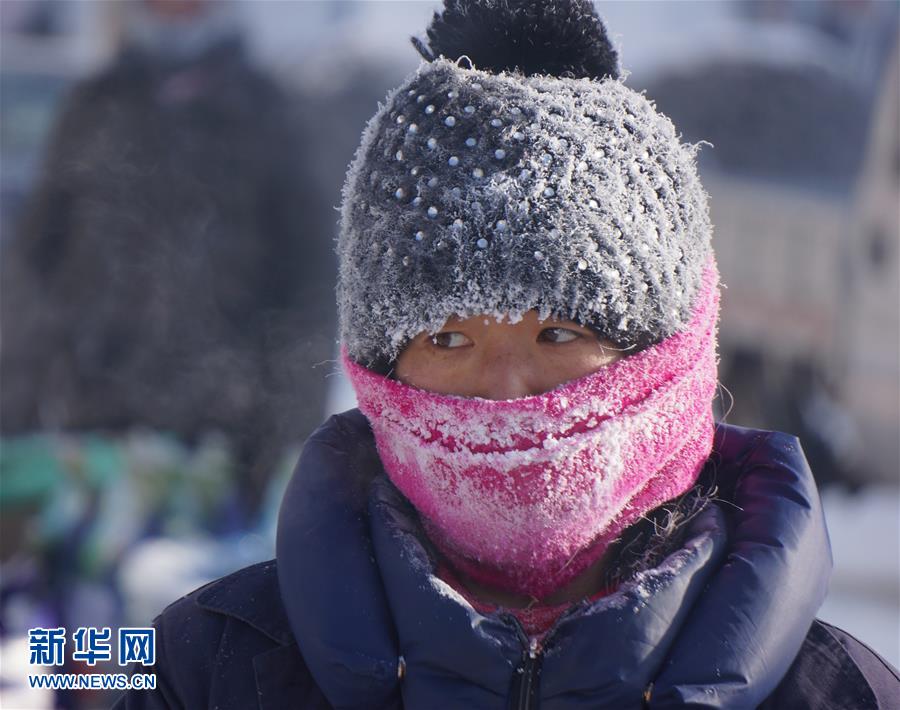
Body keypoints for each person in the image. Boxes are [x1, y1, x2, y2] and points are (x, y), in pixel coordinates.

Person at [113, 2, 899, 708]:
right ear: (379, 372)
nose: (503, 390)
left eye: (559, 334)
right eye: (447, 339)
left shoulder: (839, 695)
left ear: (673, 358)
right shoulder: (206, 672)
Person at [0, 0, 334, 512]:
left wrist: (281, 444)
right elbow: (33, 276)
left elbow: (310, 290)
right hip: (92, 444)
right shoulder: (93, 105)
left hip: (217, 455)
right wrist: (14, 420)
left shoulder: (269, 114)